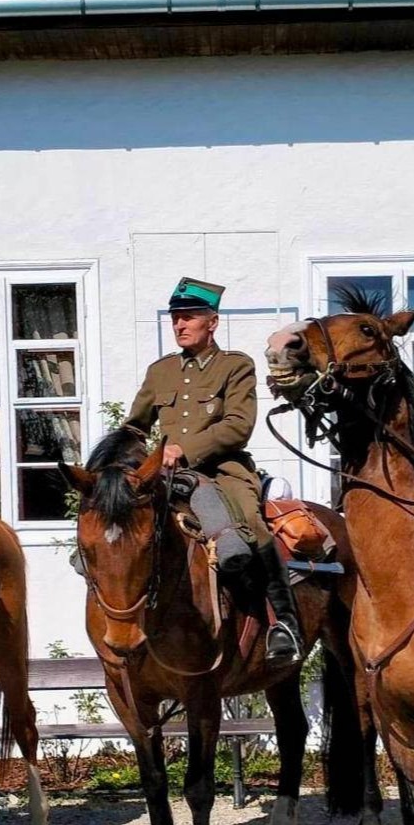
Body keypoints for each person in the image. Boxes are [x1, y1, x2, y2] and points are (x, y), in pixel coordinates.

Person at [120, 277, 302, 665]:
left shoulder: (235, 366)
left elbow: (238, 424)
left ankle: (282, 624)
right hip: (166, 476)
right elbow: (135, 426)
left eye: (189, 317)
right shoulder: (160, 372)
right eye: (176, 319)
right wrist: (118, 458)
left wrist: (182, 450)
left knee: (251, 525)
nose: (180, 325)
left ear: (212, 322)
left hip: (223, 471)